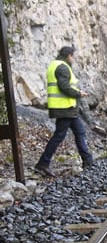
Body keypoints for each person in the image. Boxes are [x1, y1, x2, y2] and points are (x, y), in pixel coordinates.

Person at [35, 46, 94, 177]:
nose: (74, 59)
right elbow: (64, 86)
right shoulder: (62, 67)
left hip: (69, 109)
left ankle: (88, 161)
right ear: (68, 56)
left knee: (80, 132)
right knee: (59, 136)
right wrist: (79, 93)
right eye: (73, 56)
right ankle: (42, 164)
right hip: (64, 108)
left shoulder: (55, 64)